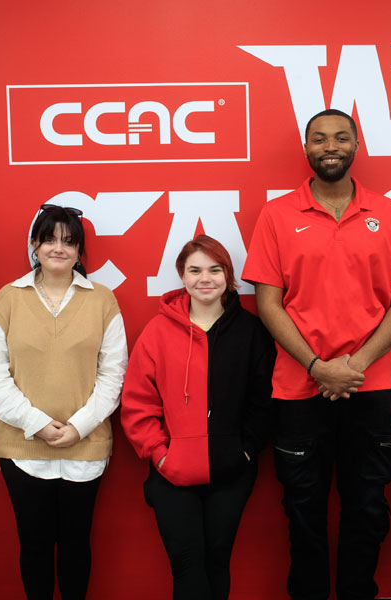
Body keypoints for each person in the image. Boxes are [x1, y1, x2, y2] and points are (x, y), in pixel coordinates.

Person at [242, 109, 391, 599]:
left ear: (356, 146)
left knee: (368, 507)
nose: (330, 146)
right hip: (299, 388)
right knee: (302, 509)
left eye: (341, 137)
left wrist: (354, 366)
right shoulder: (277, 215)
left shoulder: (387, 213)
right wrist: (318, 367)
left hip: (370, 386)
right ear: (306, 148)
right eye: (320, 138)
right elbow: (268, 303)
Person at [0, 204, 127, 600]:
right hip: (23, 448)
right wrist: (37, 424)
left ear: (79, 251)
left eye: (69, 241)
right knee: (35, 544)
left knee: (77, 544)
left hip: (86, 447)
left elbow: (113, 374)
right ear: (34, 245)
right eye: (49, 240)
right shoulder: (9, 298)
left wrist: (80, 426)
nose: (59, 248)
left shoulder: (102, 300)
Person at [120, 234, 275, 600]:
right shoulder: (157, 331)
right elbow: (138, 401)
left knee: (217, 562)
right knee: (187, 565)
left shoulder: (251, 331)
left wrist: (245, 450)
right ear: (182, 275)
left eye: (214, 270)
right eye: (195, 270)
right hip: (171, 474)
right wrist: (159, 454)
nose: (205, 278)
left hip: (231, 471)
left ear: (228, 276)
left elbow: (265, 399)